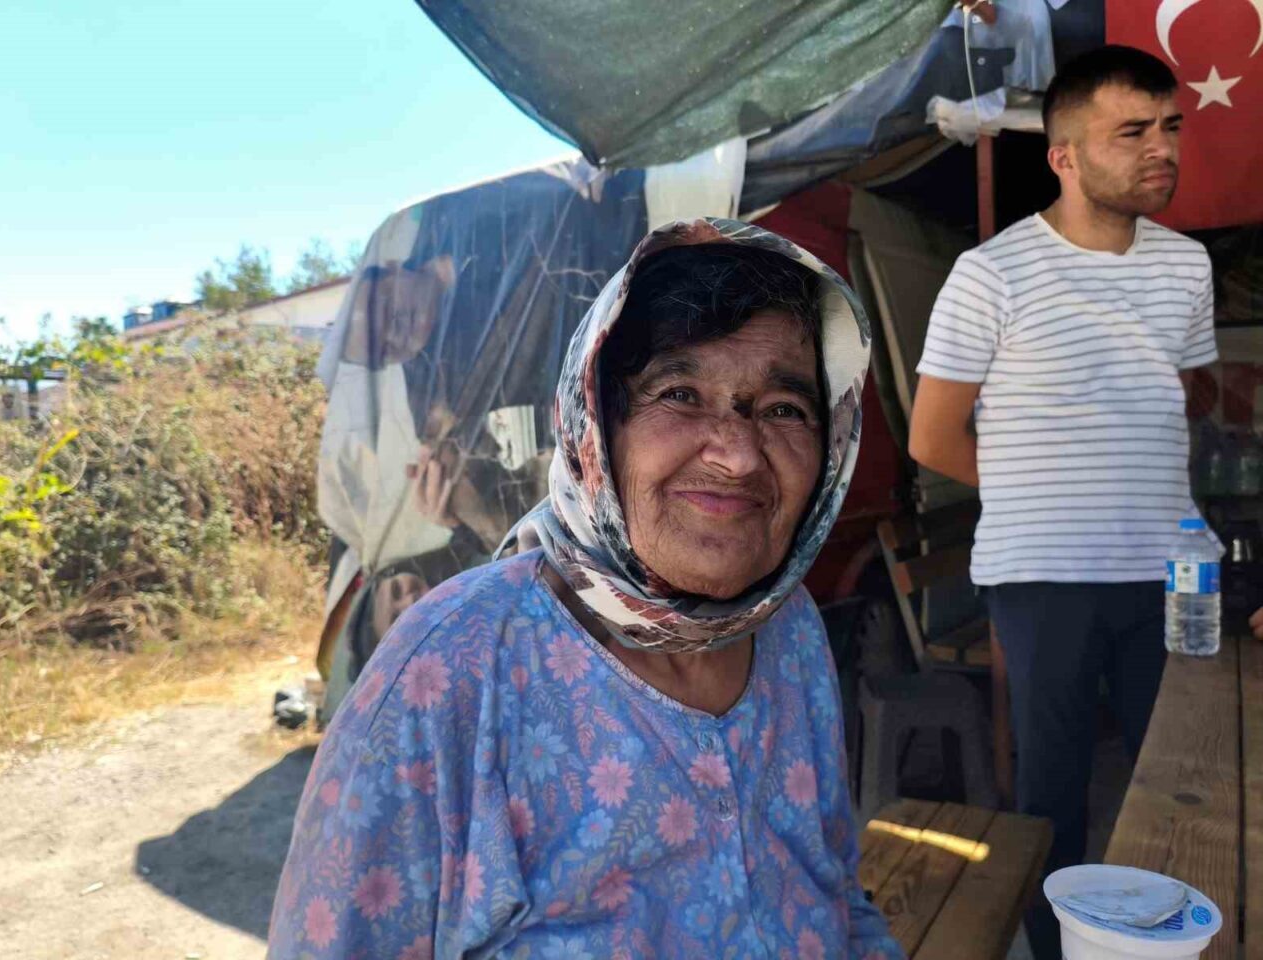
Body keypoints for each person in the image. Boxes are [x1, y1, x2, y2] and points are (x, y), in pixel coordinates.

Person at [267, 219, 903, 959]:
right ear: (594, 424)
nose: (737, 455)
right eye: (680, 393)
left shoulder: (790, 627)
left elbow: (830, 889)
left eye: (784, 410)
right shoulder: (451, 669)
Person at [909, 45, 1217, 960]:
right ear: (1066, 155)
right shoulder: (992, 275)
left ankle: (1167, 940)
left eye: (1170, 128)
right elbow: (933, 438)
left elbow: (1190, 393)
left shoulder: (1186, 267)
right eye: (1132, 133)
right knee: (1056, 786)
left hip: (1168, 573)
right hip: (1044, 576)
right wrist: (1049, 485)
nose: (1161, 149)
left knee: (1179, 776)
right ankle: (1058, 952)